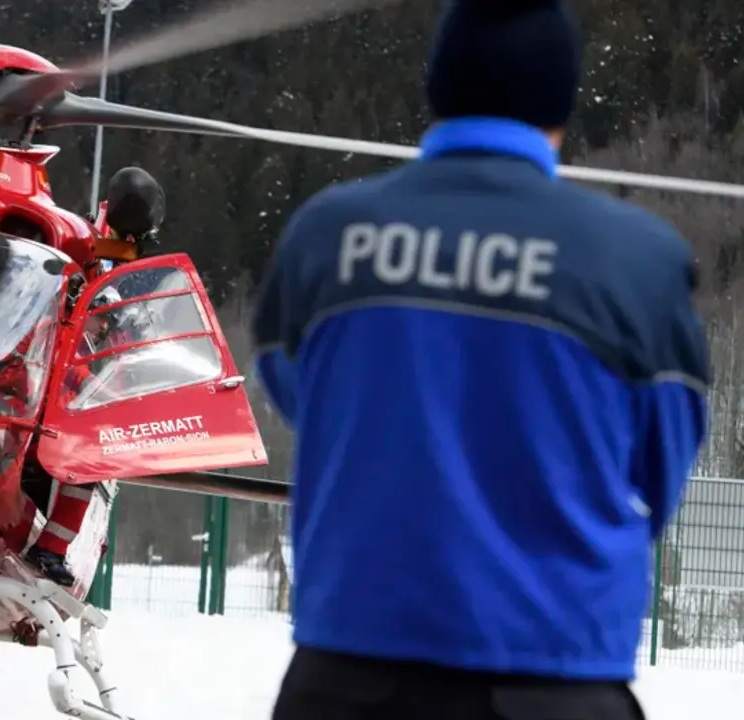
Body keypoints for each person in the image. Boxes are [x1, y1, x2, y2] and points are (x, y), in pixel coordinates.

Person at [251, 2, 709, 719]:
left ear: (439, 87)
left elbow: (298, 392)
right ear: (562, 104)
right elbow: (662, 467)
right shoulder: (638, 261)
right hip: (556, 678)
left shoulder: (327, 236)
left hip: (346, 677)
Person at [20, 289, 123, 586]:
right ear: (89, 309)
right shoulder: (58, 334)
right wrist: (113, 400)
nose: (104, 329)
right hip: (27, 432)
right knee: (83, 474)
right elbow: (76, 376)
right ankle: (49, 550)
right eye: (104, 319)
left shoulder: (61, 336)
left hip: (33, 429)